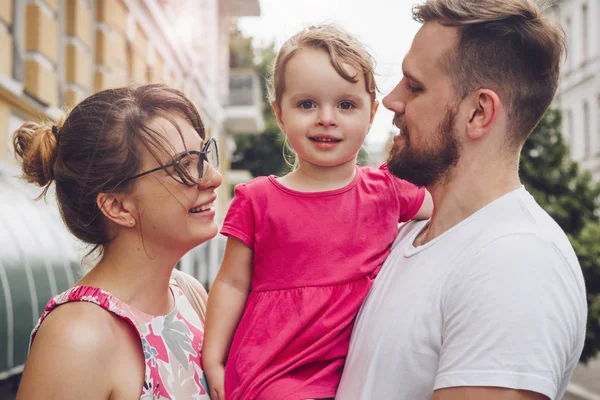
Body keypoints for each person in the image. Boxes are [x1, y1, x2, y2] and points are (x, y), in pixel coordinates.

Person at [336, 1, 588, 399]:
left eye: (415, 86)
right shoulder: (411, 235)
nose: (391, 100)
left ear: (478, 113)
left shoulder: (515, 264)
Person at [203, 24, 433, 400]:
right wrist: (214, 360)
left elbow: (452, 208)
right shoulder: (257, 199)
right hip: (273, 370)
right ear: (280, 114)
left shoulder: (389, 191)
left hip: (359, 368)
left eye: (345, 105)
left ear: (371, 113)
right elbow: (231, 283)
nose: (327, 118)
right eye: (307, 104)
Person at [13, 84, 221, 400]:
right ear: (118, 207)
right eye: (184, 165)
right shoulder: (78, 337)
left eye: (204, 155)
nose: (214, 177)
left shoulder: (189, 295)